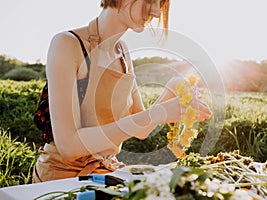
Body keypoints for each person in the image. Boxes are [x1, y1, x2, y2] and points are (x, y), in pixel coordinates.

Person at [32, 0, 212, 183]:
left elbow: (142, 128)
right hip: (60, 180)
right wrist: (158, 112)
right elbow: (69, 146)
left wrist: (172, 88)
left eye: (161, 4)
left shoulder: (123, 52)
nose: (157, 12)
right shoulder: (67, 44)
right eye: (150, 1)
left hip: (103, 176)